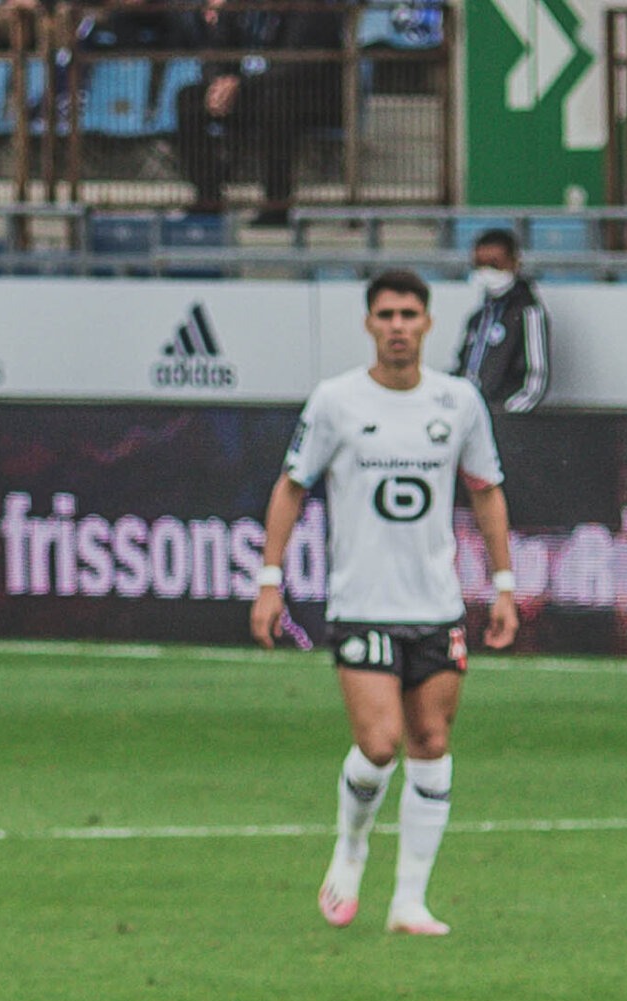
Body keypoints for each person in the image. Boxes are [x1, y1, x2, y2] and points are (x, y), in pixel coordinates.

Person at [250, 270, 519, 938]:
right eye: (386, 315)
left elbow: (485, 490)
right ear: (370, 324)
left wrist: (504, 583)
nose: (398, 326)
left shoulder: (458, 402)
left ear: (428, 324)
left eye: (409, 314)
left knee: (431, 740)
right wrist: (269, 577)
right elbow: (292, 487)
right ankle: (350, 847)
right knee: (379, 742)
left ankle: (409, 902)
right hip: (363, 602)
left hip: (436, 604)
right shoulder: (336, 401)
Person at [168, 0, 340, 226]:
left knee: (277, 103)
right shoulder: (237, 8)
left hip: (306, 97)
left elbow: (296, 67)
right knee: (189, 99)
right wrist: (217, 82)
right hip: (250, 92)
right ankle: (208, 197)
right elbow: (215, 51)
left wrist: (238, 84)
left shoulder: (309, 9)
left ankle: (276, 204)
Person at [453, 228, 551, 416]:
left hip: (503, 418)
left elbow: (535, 379)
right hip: (470, 415)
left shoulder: (529, 313)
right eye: (479, 265)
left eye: (494, 265)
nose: (486, 272)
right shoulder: (478, 317)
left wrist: (506, 413)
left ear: (514, 264)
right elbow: (462, 366)